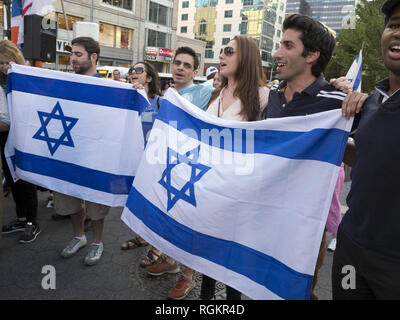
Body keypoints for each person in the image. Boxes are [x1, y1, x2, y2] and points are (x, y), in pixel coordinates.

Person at [265, 14, 367, 300]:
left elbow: (371, 157)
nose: (277, 53)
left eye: (287, 45)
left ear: (311, 55)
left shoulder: (339, 104)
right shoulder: (274, 95)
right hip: (265, 215)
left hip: (305, 228)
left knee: (300, 291)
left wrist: (364, 101)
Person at [331, 0, 400, 299]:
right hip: (352, 252)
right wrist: (325, 132)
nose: (397, 33)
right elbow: (369, 157)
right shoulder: (372, 102)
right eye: (395, 25)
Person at [199, 35, 270, 300]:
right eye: (221, 51)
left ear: (247, 58)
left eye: (229, 51)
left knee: (234, 263)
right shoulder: (215, 95)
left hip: (243, 197)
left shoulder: (264, 98)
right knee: (207, 256)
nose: (221, 56)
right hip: (211, 191)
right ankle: (205, 298)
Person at [145, 46, 215, 300]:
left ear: (196, 72)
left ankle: (188, 276)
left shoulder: (204, 91)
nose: (181, 68)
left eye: (187, 65)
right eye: (178, 63)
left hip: (193, 170)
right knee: (170, 219)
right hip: (168, 167)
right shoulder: (168, 94)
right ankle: (171, 261)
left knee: (190, 224)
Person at [56, 37, 110, 266]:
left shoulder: (109, 88)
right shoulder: (66, 83)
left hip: (96, 158)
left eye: (78, 54)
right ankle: (79, 236)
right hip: (69, 153)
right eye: (72, 54)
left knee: (96, 203)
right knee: (68, 198)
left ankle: (97, 241)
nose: (73, 59)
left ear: (93, 57)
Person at [120, 61, 164, 267]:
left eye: (139, 70)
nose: (133, 73)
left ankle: (157, 247)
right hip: (133, 162)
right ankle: (142, 236)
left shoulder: (160, 102)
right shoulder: (125, 99)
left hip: (154, 164)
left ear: (148, 78)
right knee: (138, 203)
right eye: (131, 71)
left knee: (154, 204)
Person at [0, 40, 40, 244]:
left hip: (24, 136)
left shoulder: (28, 78)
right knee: (11, 178)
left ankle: (33, 222)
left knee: (25, 179)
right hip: (4, 138)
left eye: (8, 62)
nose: (5, 67)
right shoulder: (1, 81)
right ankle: (21, 218)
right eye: (1, 63)